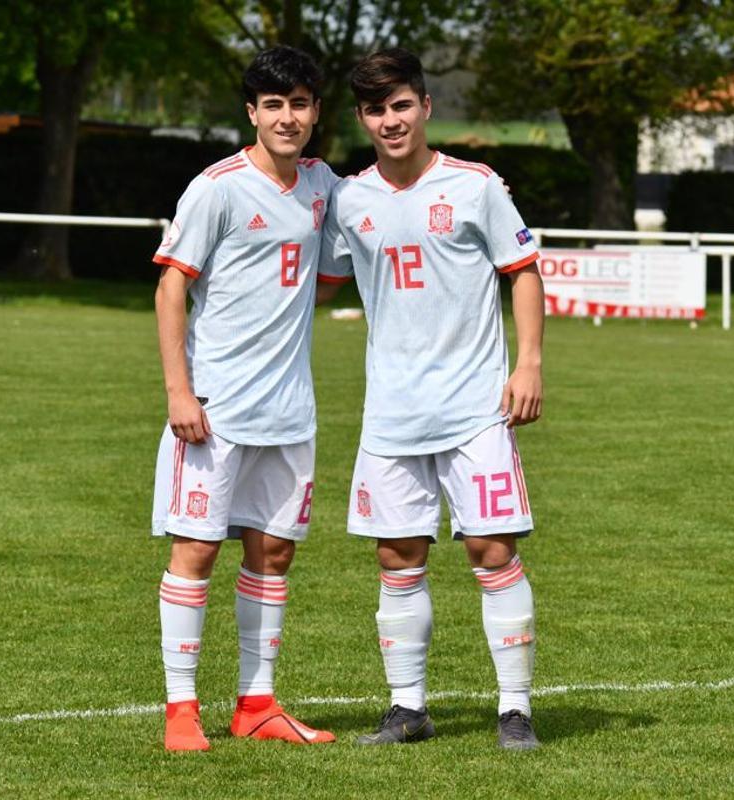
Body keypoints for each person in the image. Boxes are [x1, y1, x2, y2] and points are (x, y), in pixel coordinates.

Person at [318, 48, 545, 751]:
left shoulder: (476, 186)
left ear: (425, 106)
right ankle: (407, 708)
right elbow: (315, 280)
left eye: (401, 105)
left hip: (475, 405)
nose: (391, 121)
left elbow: (523, 269)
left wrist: (529, 363)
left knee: (491, 547)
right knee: (397, 556)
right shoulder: (349, 201)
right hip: (391, 413)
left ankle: (514, 709)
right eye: (376, 110)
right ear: (362, 118)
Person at [150, 46, 342, 752]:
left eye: (299, 104)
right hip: (216, 410)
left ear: (316, 112)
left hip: (290, 412)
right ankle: (181, 712)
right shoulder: (217, 188)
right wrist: (180, 392)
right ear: (251, 113)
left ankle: (256, 705)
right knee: (196, 550)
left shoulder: (323, 185)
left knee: (273, 552)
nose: (286, 118)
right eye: (273, 105)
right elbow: (172, 285)